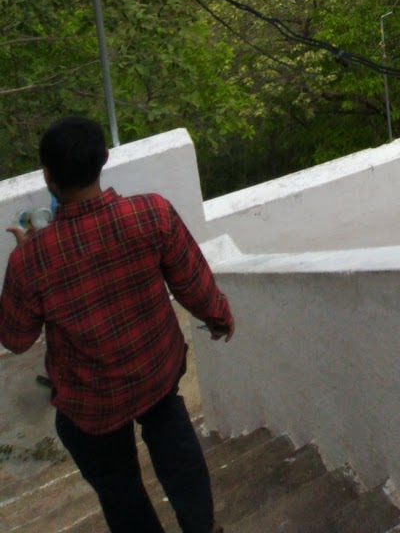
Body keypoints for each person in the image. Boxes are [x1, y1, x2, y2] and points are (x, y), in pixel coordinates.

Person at [0, 116, 234, 533]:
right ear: (104, 158)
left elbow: (16, 340)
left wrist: (27, 260)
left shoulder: (30, 261)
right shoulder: (151, 214)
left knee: (118, 487)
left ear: (48, 176)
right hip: (155, 372)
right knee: (177, 450)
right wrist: (218, 317)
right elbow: (192, 283)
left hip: (92, 403)